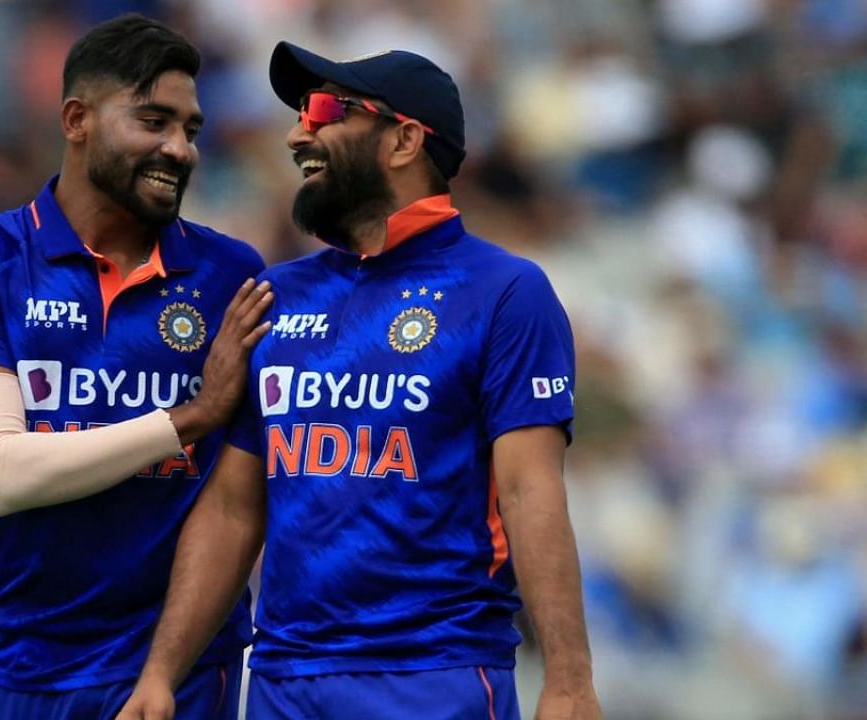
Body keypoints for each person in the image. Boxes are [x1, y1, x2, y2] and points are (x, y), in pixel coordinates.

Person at [119, 42, 604, 720]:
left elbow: (530, 491)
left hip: (432, 674)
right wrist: (161, 674)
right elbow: (233, 508)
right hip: (285, 682)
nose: (297, 133)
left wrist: (571, 681)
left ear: (405, 139)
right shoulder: (276, 295)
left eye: (324, 111)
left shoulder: (504, 292)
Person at [0, 14, 272, 720]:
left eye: (191, 130)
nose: (180, 149)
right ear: (77, 119)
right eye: (153, 121)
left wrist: (167, 668)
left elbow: (236, 501)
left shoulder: (233, 275)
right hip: (25, 660)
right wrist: (189, 418)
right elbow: (0, 473)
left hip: (180, 671)